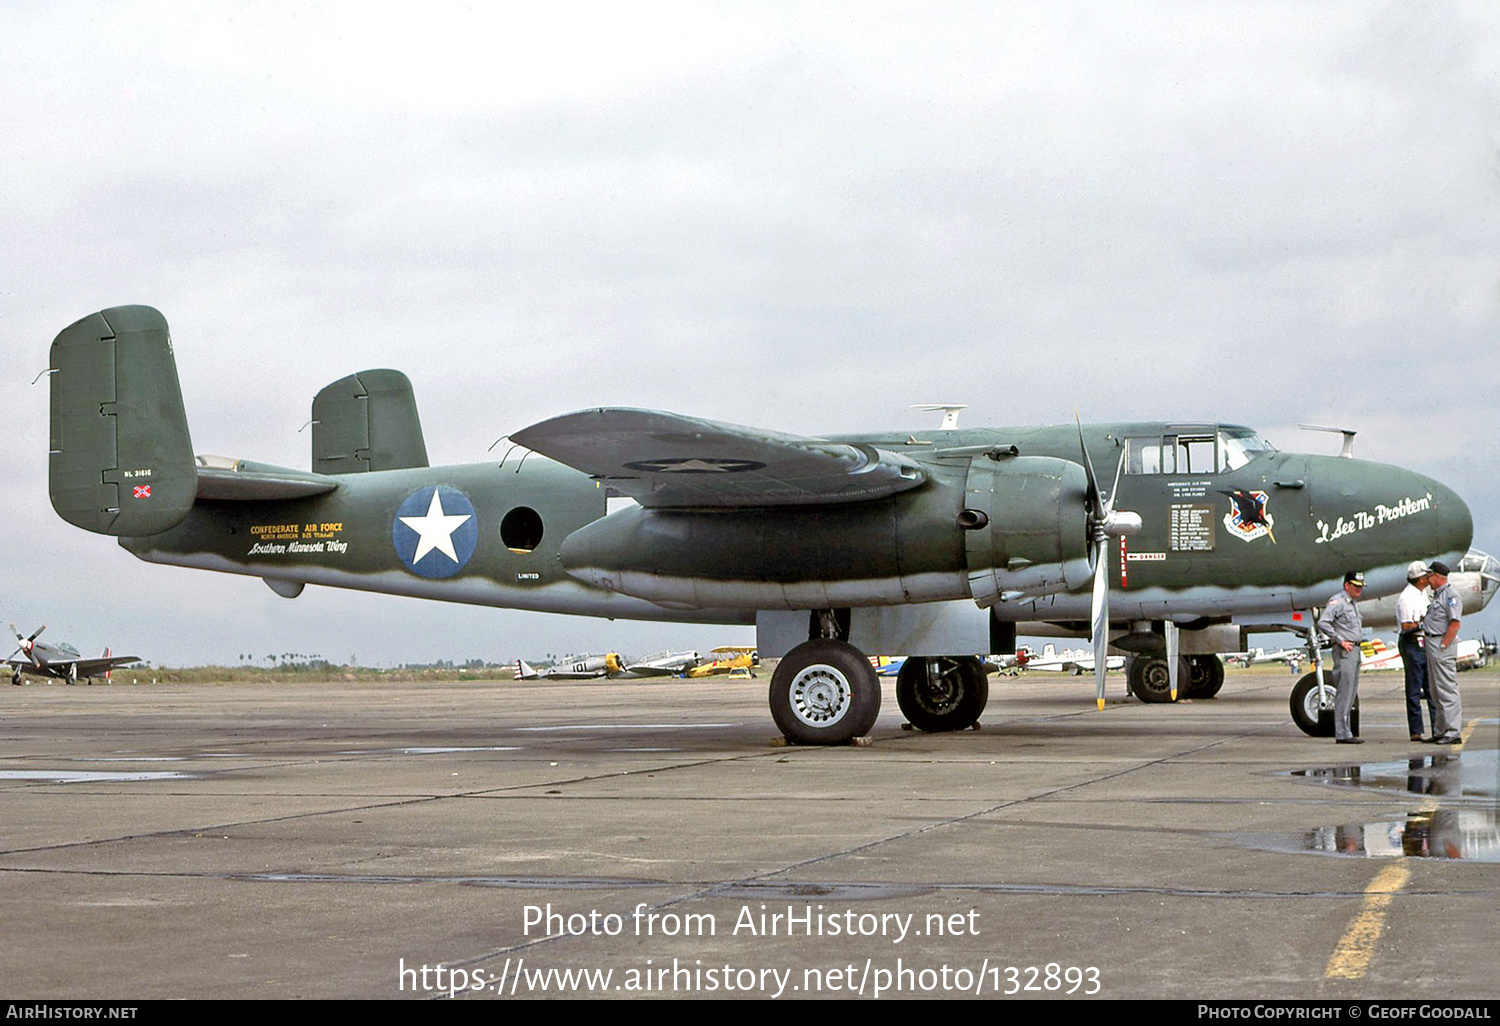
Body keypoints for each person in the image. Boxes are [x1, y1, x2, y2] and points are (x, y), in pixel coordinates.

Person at [1317, 571, 1366, 744]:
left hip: (1355, 651)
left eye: (1360, 586)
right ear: (1347, 585)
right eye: (1355, 586)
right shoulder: (1338, 601)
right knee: (1344, 692)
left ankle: (1346, 731)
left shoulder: (1352, 603)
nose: (1359, 589)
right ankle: (1342, 733)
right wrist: (1339, 640)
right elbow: (1323, 622)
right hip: (1345, 651)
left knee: (1351, 692)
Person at [1422, 560, 1464, 745]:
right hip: (1432, 643)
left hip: (1440, 645)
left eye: (1430, 576)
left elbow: (1454, 623)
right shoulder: (1438, 596)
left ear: (1437, 577)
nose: (1428, 579)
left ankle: (1453, 731)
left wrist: (1443, 646)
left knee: (1446, 689)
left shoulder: (1450, 596)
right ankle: (1440, 730)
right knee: (1435, 690)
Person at [1396, 560, 1434, 741]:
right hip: (1412, 641)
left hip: (1424, 641)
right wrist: (1423, 623)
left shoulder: (1422, 594)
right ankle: (1416, 731)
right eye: (1426, 575)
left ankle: (1437, 727)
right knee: (1414, 687)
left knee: (1431, 687)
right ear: (1420, 578)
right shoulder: (1406, 597)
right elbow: (1406, 625)